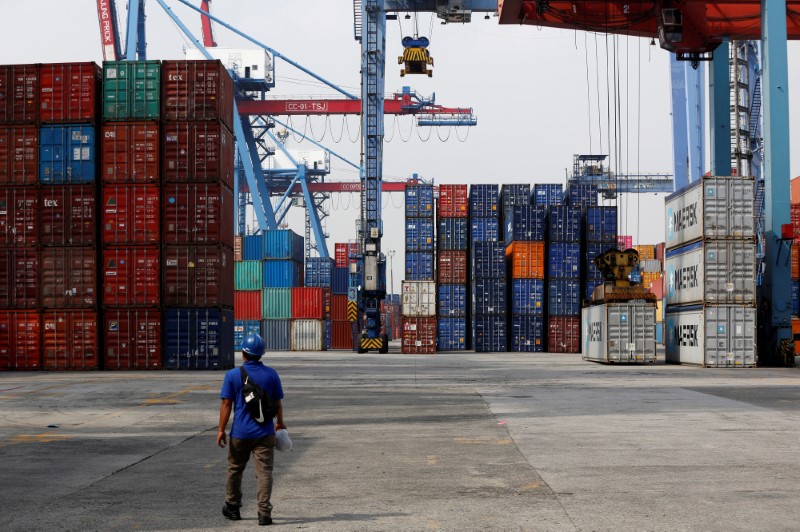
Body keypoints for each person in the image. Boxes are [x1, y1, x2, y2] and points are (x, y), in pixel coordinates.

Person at [217, 333, 285, 526]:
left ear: (243, 352)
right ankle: (264, 513)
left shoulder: (232, 375)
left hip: (240, 433)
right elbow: (278, 403)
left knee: (235, 469)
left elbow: (226, 404)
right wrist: (280, 423)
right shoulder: (272, 374)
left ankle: (233, 507)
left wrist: (221, 429)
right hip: (265, 433)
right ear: (261, 354)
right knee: (264, 473)